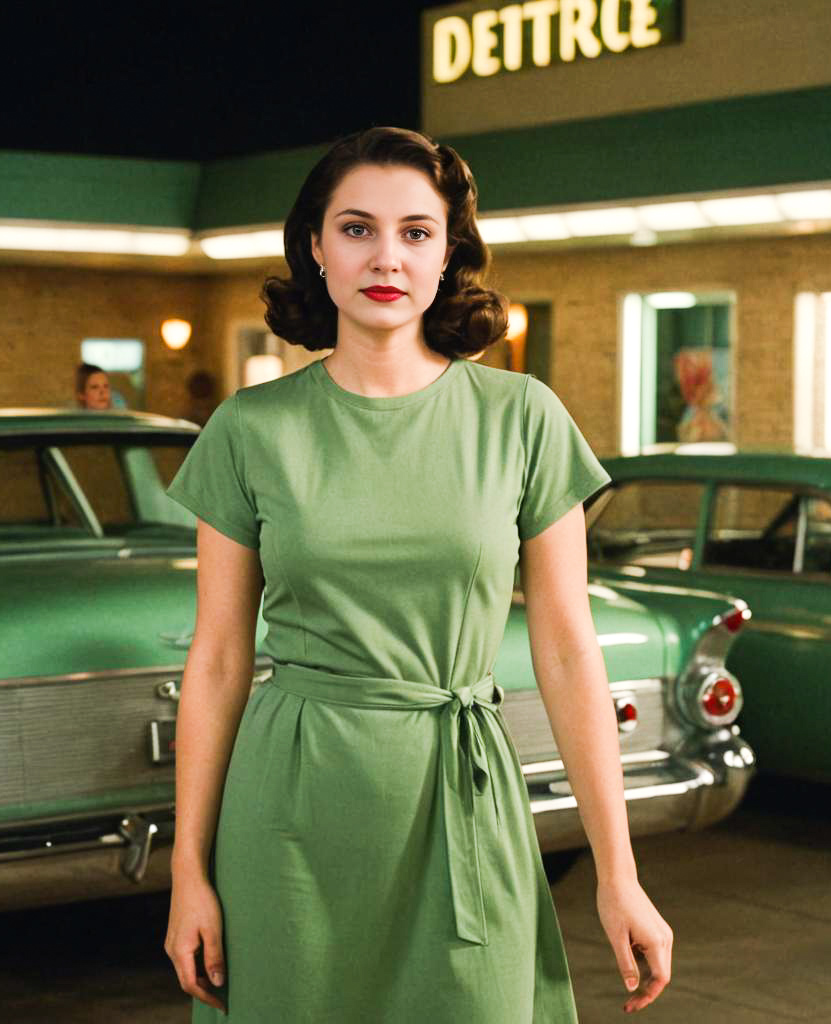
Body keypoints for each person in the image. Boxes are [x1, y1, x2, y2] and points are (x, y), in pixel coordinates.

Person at [162, 126, 672, 1022]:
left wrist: (619, 874)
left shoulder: (523, 417)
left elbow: (565, 651)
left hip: (461, 795)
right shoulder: (251, 429)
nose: (386, 255)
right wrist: (188, 872)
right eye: (356, 229)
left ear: (449, 255)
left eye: (416, 232)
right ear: (315, 249)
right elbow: (215, 662)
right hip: (290, 814)